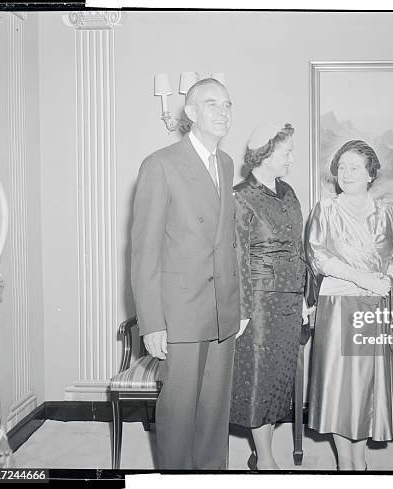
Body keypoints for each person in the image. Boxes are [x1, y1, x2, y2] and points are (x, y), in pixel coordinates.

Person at [131, 78, 249, 470]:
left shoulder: (227, 162)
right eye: (212, 104)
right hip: (180, 313)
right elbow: (145, 252)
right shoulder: (160, 164)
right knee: (178, 415)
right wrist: (152, 323)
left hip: (222, 311)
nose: (223, 112)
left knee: (214, 415)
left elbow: (229, 240)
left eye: (228, 104)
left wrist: (240, 305)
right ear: (192, 113)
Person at [306, 140, 393, 471]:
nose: (345, 173)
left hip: (375, 305)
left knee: (365, 386)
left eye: (354, 168)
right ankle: (343, 465)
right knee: (339, 386)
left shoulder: (386, 212)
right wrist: (366, 279)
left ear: (370, 174)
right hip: (337, 306)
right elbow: (318, 256)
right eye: (341, 167)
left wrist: (388, 281)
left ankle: (358, 462)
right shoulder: (326, 209)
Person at [229, 122, 310, 470]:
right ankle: (265, 459)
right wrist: (243, 310)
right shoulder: (240, 197)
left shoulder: (288, 191)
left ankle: (262, 448)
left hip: (291, 302)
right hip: (259, 303)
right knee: (260, 379)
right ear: (264, 155)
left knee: (279, 379)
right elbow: (237, 258)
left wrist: (305, 297)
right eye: (287, 152)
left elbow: (298, 248)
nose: (292, 158)